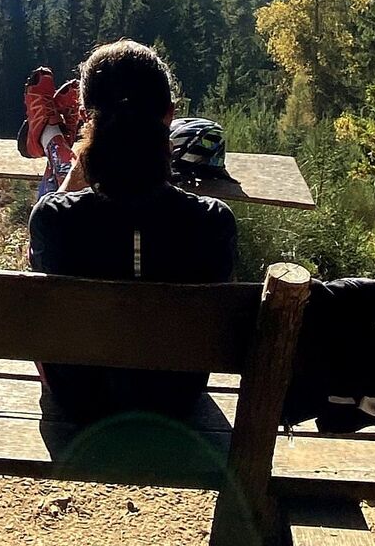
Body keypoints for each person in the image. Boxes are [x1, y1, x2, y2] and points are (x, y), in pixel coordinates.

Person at [28, 39, 239, 422]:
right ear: (170, 117)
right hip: (174, 404)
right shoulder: (213, 222)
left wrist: (79, 174)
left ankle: (51, 139)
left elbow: (39, 316)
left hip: (78, 404)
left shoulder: (53, 217)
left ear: (86, 118)